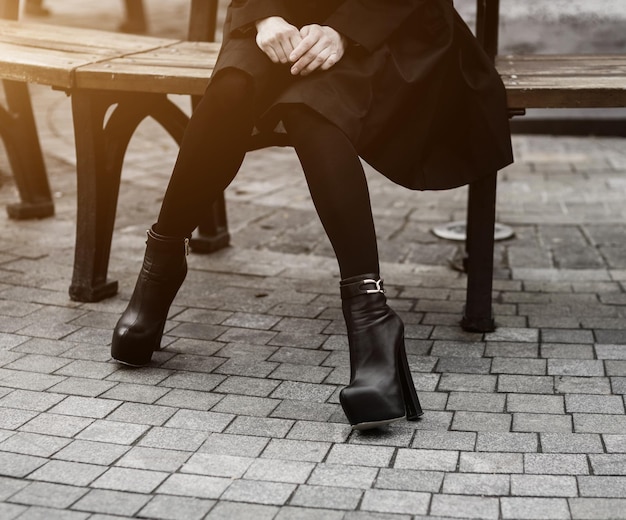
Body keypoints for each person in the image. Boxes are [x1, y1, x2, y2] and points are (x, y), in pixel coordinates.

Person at [111, 0, 513, 430]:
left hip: (390, 23)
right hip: (280, 14)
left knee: (313, 107)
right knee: (231, 89)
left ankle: (372, 319)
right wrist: (264, 17)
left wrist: (345, 31)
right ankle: (162, 266)